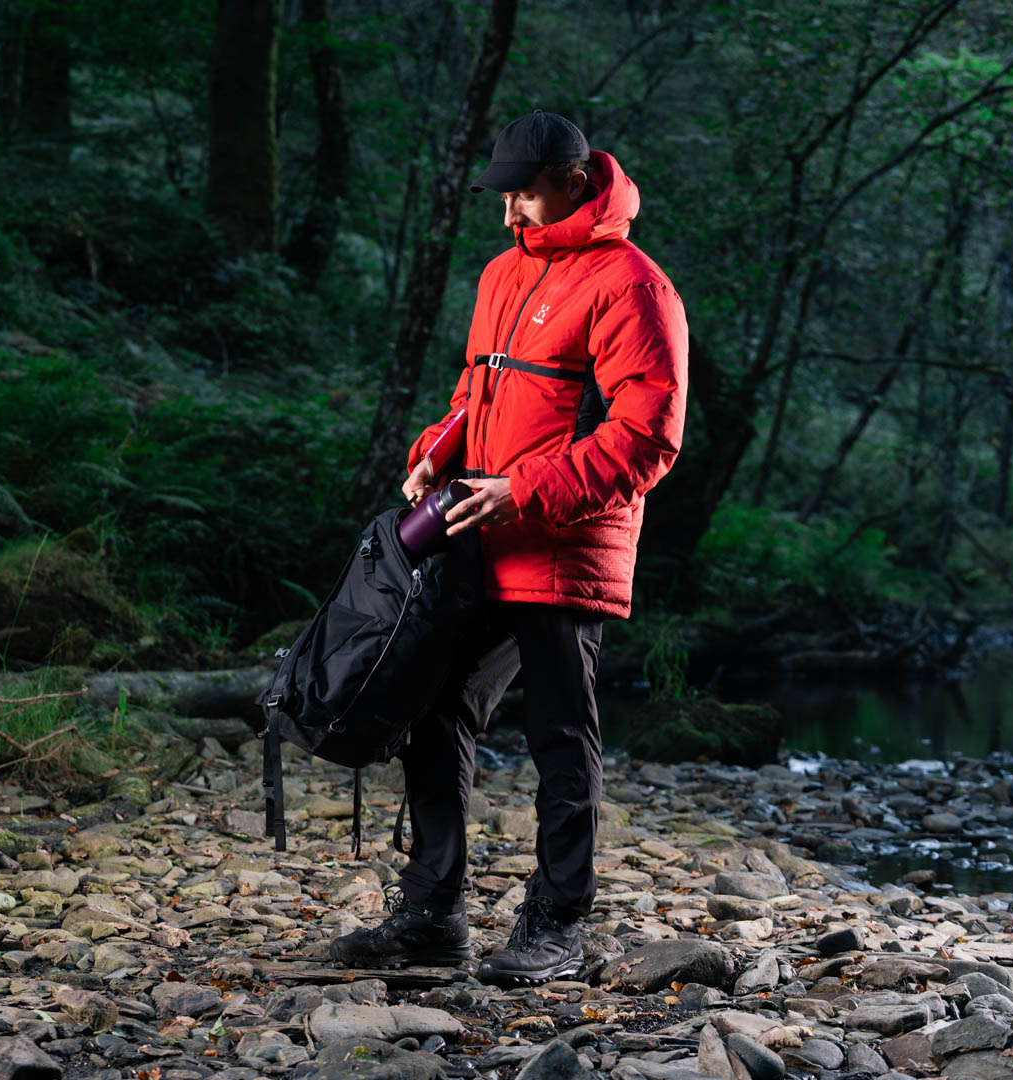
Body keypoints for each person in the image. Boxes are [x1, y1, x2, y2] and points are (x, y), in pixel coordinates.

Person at [329, 111, 688, 985]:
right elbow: (476, 392)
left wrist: (521, 489)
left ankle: (557, 922)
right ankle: (431, 915)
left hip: (566, 545)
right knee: (432, 708)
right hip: (475, 536)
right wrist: (434, 453)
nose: (510, 213)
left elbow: (647, 439)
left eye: (525, 194)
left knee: (560, 732)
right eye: (503, 196)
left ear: (575, 180)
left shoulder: (633, 285)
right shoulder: (501, 274)